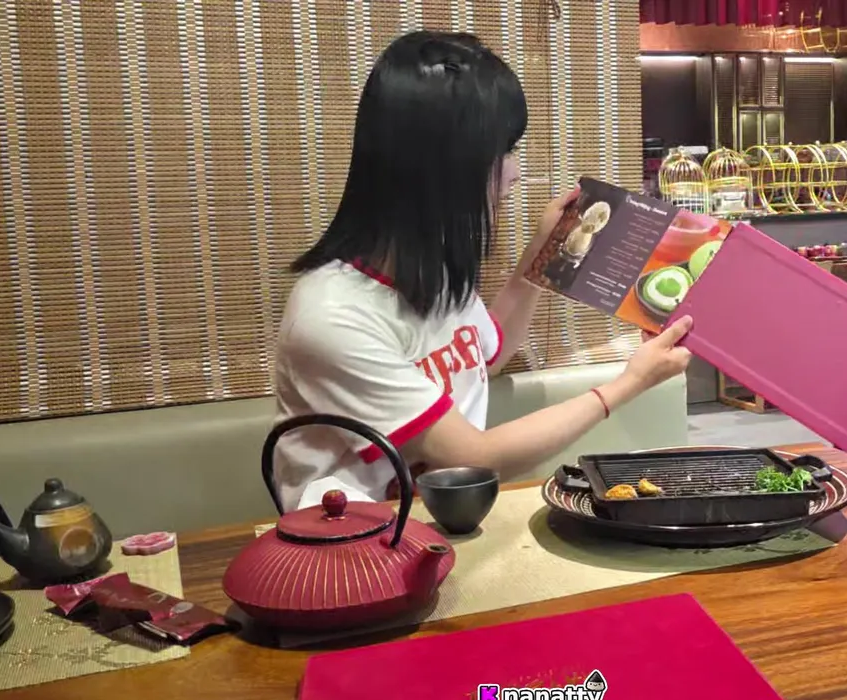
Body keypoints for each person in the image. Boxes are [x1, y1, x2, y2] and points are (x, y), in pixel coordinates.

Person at [271, 31, 693, 511]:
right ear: (443, 169)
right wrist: (629, 383)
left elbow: (485, 355)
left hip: (434, 526)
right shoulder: (331, 316)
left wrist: (545, 253)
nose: (515, 171)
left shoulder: (429, 271)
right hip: (354, 544)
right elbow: (473, 457)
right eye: (504, 152)